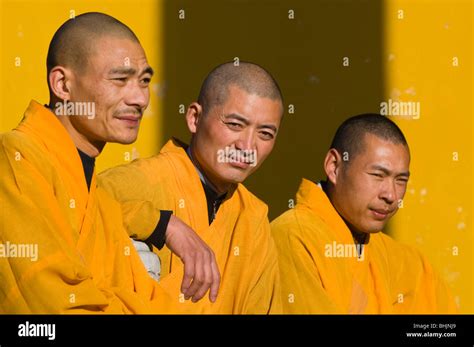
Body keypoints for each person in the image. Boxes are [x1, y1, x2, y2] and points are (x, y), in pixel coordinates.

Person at [0, 12, 219, 313]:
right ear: (62, 85)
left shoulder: (98, 199)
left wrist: (164, 222)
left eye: (143, 81)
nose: (140, 99)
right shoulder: (16, 157)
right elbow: (55, 304)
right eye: (119, 80)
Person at [98, 62, 283, 313]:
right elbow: (66, 216)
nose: (247, 146)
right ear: (195, 118)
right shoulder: (141, 182)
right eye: (235, 125)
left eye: (265, 134)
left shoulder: (254, 220)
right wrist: (162, 224)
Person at [271, 114, 457, 314]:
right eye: (378, 175)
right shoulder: (293, 237)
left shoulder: (409, 263)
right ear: (334, 167)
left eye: (401, 180)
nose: (391, 195)